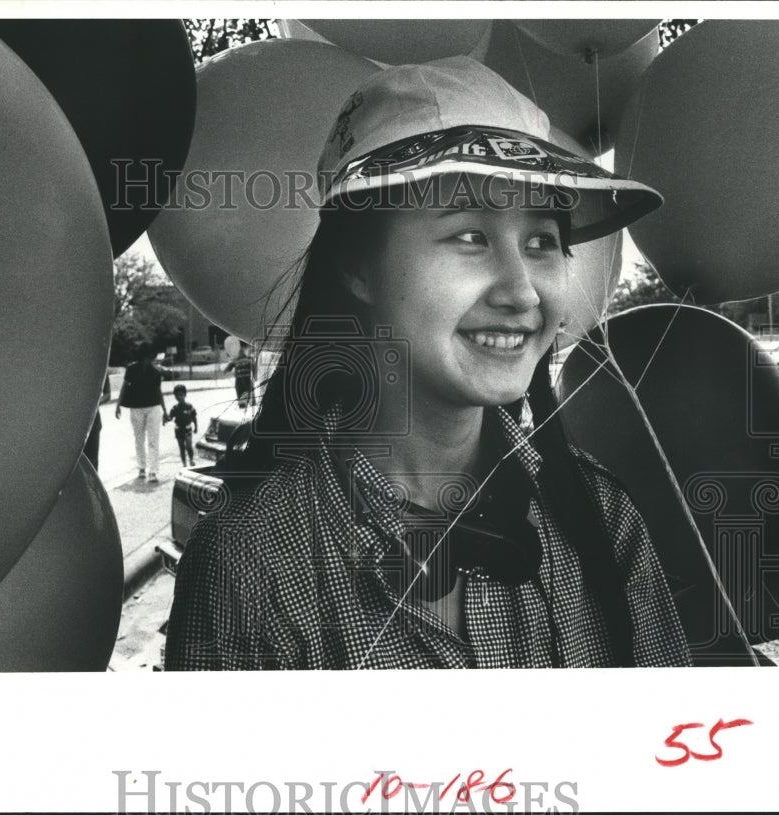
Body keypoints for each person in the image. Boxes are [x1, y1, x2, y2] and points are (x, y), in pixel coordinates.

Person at [165, 57, 692, 670]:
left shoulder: (600, 515)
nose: (522, 293)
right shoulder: (247, 561)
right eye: (469, 235)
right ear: (357, 266)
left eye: (542, 241)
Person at [115, 343, 166, 483]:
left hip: (153, 408)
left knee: (153, 440)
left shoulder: (155, 372)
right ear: (144, 356)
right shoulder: (131, 369)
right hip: (136, 408)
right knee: (139, 440)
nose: (151, 361)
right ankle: (142, 468)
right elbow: (124, 387)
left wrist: (165, 410)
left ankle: (153, 471)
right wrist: (118, 405)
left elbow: (158, 392)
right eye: (150, 357)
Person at [82, 373, 111, 470]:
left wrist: (95, 403)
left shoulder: (100, 369)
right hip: (73, 425)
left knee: (92, 461)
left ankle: (91, 485)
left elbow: (107, 395)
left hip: (93, 422)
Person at [168, 384, 199, 467]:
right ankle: (184, 464)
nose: (179, 397)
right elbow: (170, 417)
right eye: (177, 395)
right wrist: (165, 419)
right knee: (181, 447)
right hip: (178, 430)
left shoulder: (189, 407)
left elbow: (194, 417)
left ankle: (191, 460)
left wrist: (196, 427)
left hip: (187, 429)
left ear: (185, 395)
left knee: (189, 446)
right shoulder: (174, 408)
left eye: (181, 395)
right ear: (175, 396)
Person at [224, 342, 256, 408]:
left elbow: (228, 368)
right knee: (246, 393)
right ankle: (246, 406)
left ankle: (247, 406)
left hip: (243, 380)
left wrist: (226, 370)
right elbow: (229, 367)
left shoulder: (245, 359)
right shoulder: (247, 359)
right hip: (243, 380)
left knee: (246, 393)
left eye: (242, 351)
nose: (240, 352)